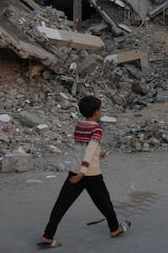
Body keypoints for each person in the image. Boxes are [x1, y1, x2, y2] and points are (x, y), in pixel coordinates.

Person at [38, 95, 130, 248]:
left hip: (74, 171)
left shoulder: (79, 126)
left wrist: (98, 154)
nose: (100, 112)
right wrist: (83, 171)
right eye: (99, 110)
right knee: (104, 202)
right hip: (90, 173)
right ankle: (115, 229)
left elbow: (84, 148)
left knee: (61, 205)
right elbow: (89, 150)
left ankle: (48, 236)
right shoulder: (97, 129)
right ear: (95, 112)